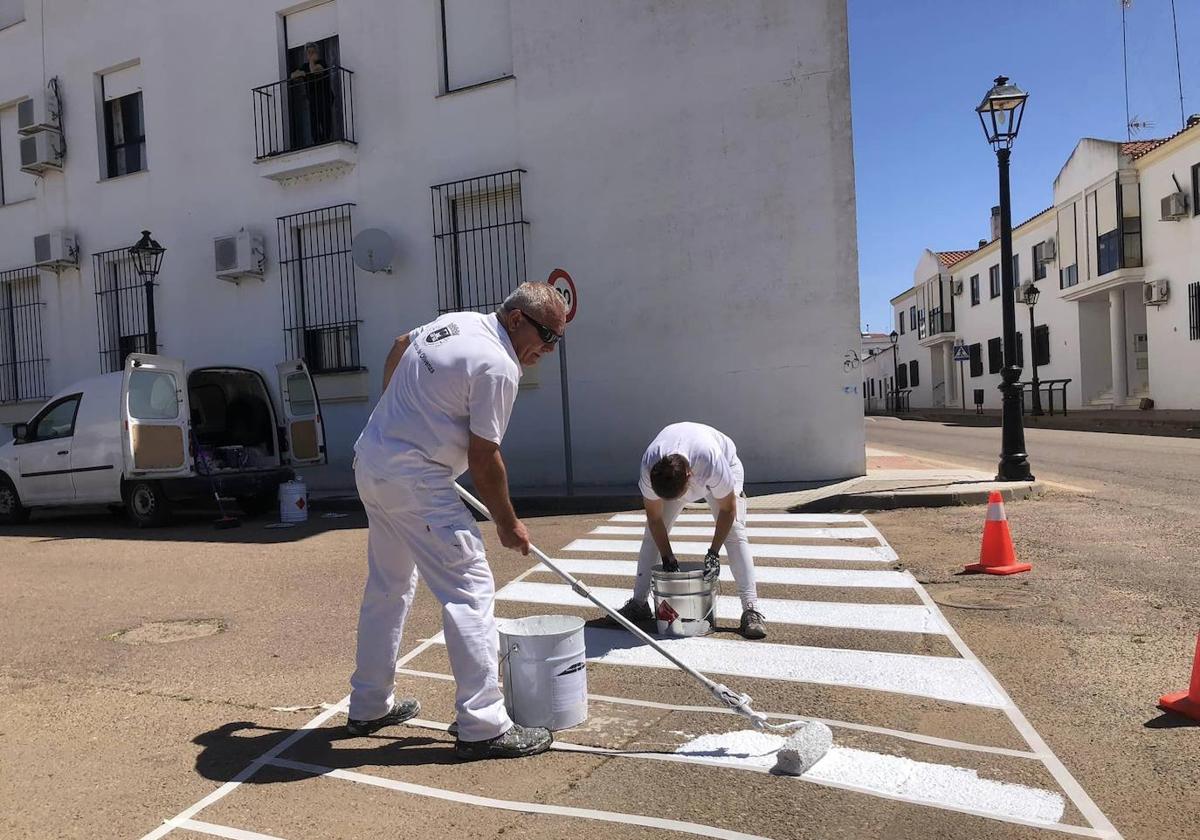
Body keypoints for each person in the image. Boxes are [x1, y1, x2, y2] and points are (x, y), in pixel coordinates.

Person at [347, 282, 567, 760]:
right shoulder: (499, 366)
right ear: (516, 320)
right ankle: (484, 724)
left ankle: (368, 703)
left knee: (388, 585)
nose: (547, 350)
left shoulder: (461, 321)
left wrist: (397, 412)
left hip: (373, 462)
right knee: (468, 588)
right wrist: (508, 523)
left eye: (556, 341)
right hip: (416, 480)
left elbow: (402, 344)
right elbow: (485, 458)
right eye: (547, 336)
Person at [616, 422, 767, 640]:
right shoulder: (650, 466)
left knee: (735, 533)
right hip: (677, 473)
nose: (679, 502)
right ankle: (639, 603)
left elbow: (727, 509)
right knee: (651, 537)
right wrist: (667, 556)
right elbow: (655, 518)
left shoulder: (711, 460)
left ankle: (751, 609)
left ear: (689, 476)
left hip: (725, 465)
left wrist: (713, 553)